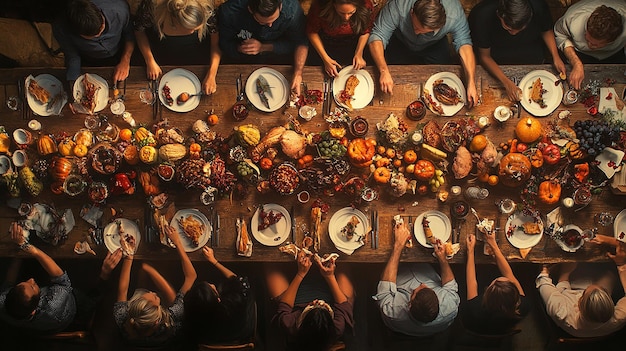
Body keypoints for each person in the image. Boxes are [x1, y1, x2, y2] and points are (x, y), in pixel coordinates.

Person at [0, 222, 122, 333]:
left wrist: (18, 252)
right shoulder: (54, 307)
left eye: (24, 283)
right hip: (73, 310)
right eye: (32, 286)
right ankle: (105, 274)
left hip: (41, 308)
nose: (31, 280)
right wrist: (29, 248)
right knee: (90, 300)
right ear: (33, 310)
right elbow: (61, 278)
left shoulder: (3, 302)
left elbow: (9, 281)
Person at [367, 0, 478, 106]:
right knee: (392, 79)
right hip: (400, 42)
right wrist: (383, 70)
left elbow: (464, 45)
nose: (416, 32)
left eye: (424, 31)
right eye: (415, 27)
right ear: (412, 12)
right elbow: (377, 35)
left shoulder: (454, 14)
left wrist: (471, 82)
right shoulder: (398, 6)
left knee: (445, 78)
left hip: (434, 45)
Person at [114, 225, 196, 346]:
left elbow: (122, 290)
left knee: (145, 271)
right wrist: (177, 242)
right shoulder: (170, 320)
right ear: (158, 321)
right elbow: (191, 276)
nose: (154, 292)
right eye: (156, 299)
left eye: (144, 297)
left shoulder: (123, 318)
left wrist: (129, 255)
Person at [373, 222, 459, 336]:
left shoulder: (391, 310)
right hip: (426, 269)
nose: (422, 284)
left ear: (409, 304)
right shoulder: (450, 305)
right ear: (438, 300)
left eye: (414, 291)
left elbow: (384, 284)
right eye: (428, 288)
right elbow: (450, 285)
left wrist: (398, 245)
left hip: (399, 275)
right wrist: (442, 258)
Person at [468, 0, 566, 102]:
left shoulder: (538, 5)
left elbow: (546, 29)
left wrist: (556, 56)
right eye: (508, 28)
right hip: (497, 61)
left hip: (532, 55)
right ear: (499, 15)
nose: (514, 33)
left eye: (520, 29)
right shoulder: (483, 15)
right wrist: (506, 83)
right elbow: (484, 56)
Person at [535, 235, 626, 337]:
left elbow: (543, 281)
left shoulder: (561, 311)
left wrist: (546, 269)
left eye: (585, 292)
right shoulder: (619, 317)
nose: (591, 286)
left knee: (566, 269)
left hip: (567, 293)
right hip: (580, 296)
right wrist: (621, 264)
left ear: (579, 303)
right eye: (603, 290)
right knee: (611, 273)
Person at [266, 250, 354, 351]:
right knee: (348, 298)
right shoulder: (336, 328)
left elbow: (285, 305)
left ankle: (269, 249)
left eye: (312, 306)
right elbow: (343, 305)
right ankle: (341, 250)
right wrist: (329, 276)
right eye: (323, 306)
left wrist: (301, 273)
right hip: (330, 292)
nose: (316, 300)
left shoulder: (290, 324)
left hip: (296, 297)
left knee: (270, 260)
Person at [218, 0, 309, 95]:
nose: (270, 26)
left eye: (274, 20)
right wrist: (239, 48)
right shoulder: (230, 12)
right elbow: (223, 44)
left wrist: (298, 73)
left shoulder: (292, 9)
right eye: (263, 22)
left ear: (280, 6)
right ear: (250, 10)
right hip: (242, 59)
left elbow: (300, 42)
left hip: (279, 57)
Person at [133, 0, 222, 94]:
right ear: (175, 23)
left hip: (196, 54)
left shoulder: (207, 10)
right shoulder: (152, 8)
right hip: (161, 53)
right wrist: (150, 60)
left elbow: (216, 44)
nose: (198, 30)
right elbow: (139, 31)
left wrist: (212, 74)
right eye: (193, 29)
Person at [183, 246, 255, 345]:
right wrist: (214, 261)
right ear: (218, 299)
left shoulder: (194, 317)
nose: (212, 284)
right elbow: (239, 281)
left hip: (212, 338)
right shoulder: (233, 304)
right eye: (212, 288)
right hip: (241, 332)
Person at [53, 0, 134, 83]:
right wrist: (73, 81)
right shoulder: (61, 29)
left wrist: (125, 60)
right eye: (92, 37)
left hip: (120, 51)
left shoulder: (120, 10)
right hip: (89, 59)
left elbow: (130, 35)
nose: (99, 36)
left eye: (102, 29)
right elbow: (72, 56)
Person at [465, 230, 530, 334]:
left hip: (478, 326)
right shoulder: (523, 305)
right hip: (503, 327)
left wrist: (470, 251)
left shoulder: (474, 308)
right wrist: (493, 243)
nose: (499, 278)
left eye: (492, 283)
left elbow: (472, 281)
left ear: (486, 295)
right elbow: (509, 274)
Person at [554, 0, 626, 89]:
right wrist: (576, 63)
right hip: (579, 52)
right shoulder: (571, 19)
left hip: (614, 54)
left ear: (611, 40)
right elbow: (560, 36)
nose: (590, 46)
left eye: (596, 45)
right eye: (587, 40)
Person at [306, 0, 376, 77]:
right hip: (326, 43)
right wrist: (325, 59)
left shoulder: (366, 5)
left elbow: (366, 31)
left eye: (351, 13)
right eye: (341, 13)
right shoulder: (320, 7)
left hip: (354, 42)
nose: (346, 18)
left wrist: (359, 53)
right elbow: (312, 31)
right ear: (334, 5)